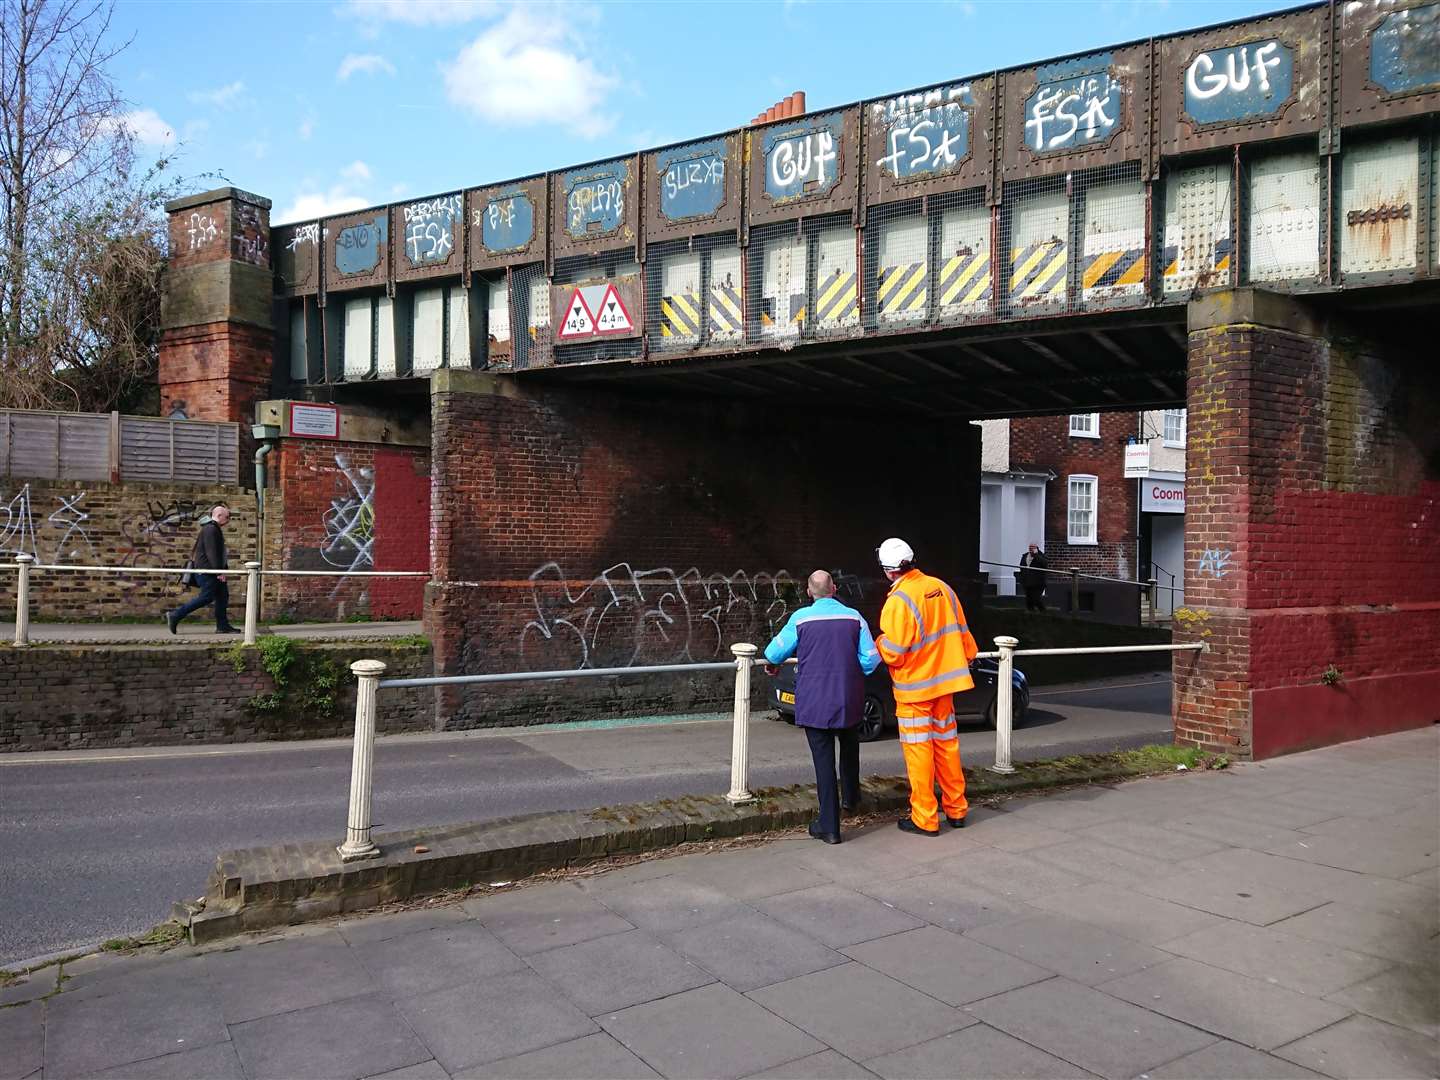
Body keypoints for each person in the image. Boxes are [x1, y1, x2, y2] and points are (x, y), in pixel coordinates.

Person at [763, 569, 880, 845]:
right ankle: (851, 798)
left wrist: (772, 662)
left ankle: (829, 826)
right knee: (850, 748)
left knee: (823, 762)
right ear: (834, 589)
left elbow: (774, 651)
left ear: (808, 592)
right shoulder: (854, 617)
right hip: (849, 697)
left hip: (815, 700)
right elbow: (872, 659)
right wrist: (852, 670)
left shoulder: (801, 618)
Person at [875, 537, 979, 837]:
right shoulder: (942, 588)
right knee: (947, 746)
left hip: (915, 690)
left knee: (919, 751)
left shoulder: (899, 600)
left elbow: (893, 650)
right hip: (945, 686)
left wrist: (879, 641)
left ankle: (925, 817)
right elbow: (964, 637)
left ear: (888, 570)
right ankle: (957, 809)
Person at [166, 505, 239, 635]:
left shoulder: (212, 528)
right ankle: (175, 615)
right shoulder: (211, 529)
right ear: (219, 515)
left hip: (211, 570)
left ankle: (222, 626)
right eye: (227, 517)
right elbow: (212, 552)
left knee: (223, 596)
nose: (228, 520)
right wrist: (219, 572)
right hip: (208, 571)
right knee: (206, 597)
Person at [1019, 542, 1048, 611]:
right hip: (1027, 582)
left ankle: (1044, 612)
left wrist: (1036, 555)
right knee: (1029, 601)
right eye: (1030, 547)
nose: (1031, 549)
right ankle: (1031, 614)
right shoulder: (1025, 556)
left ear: (1036, 548)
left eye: (1033, 548)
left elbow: (1044, 564)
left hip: (1038, 583)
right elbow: (1021, 566)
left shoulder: (1041, 556)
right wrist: (1022, 578)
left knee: (1036, 599)